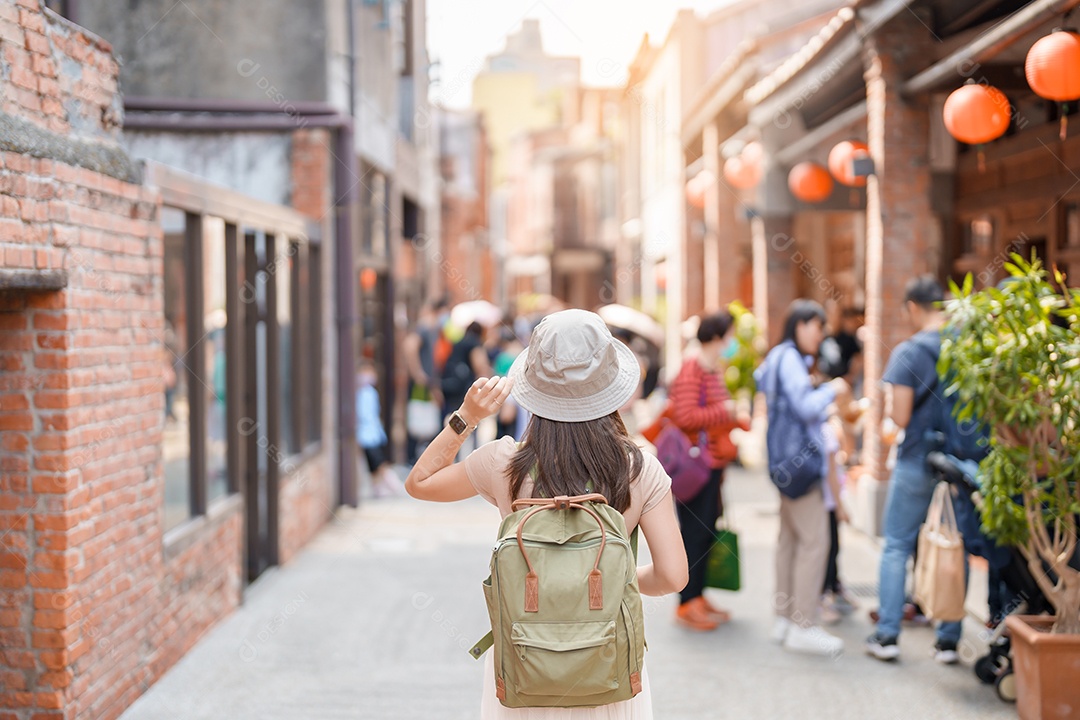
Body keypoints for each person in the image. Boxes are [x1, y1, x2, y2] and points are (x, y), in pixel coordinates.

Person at [406, 309, 688, 719]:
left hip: (524, 671)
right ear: (610, 385)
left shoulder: (504, 463)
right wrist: (616, 579)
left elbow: (419, 483)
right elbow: (673, 576)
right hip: (608, 670)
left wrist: (465, 418)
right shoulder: (639, 469)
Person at [867, 275, 966, 664]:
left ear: (912, 307)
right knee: (952, 542)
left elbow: (900, 415)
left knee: (896, 544)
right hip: (957, 464)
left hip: (916, 460)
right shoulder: (965, 348)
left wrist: (889, 411)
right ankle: (948, 640)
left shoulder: (908, 352)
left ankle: (888, 635)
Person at [754, 299, 850, 656]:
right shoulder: (791, 358)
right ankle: (804, 623)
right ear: (801, 324)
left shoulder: (777, 356)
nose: (821, 334)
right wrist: (832, 389)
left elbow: (762, 384)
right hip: (802, 466)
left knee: (789, 541)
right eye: (817, 326)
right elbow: (805, 405)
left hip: (783, 464)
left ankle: (784, 618)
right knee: (814, 543)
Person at [666, 311, 750, 631]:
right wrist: (724, 411)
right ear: (717, 336)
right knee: (694, 533)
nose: (731, 342)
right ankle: (686, 602)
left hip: (712, 463)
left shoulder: (711, 368)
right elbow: (685, 416)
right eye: (729, 335)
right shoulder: (693, 368)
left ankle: (698, 596)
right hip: (695, 466)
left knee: (706, 532)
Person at [403, 298, 447, 463]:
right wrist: (418, 374)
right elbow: (409, 346)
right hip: (422, 383)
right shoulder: (425, 327)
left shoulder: (434, 329)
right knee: (418, 419)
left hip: (429, 382)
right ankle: (412, 460)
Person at [356, 361, 404, 498]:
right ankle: (382, 487)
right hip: (365, 434)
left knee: (378, 463)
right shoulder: (361, 392)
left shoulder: (370, 392)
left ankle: (388, 486)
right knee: (375, 464)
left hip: (372, 434)